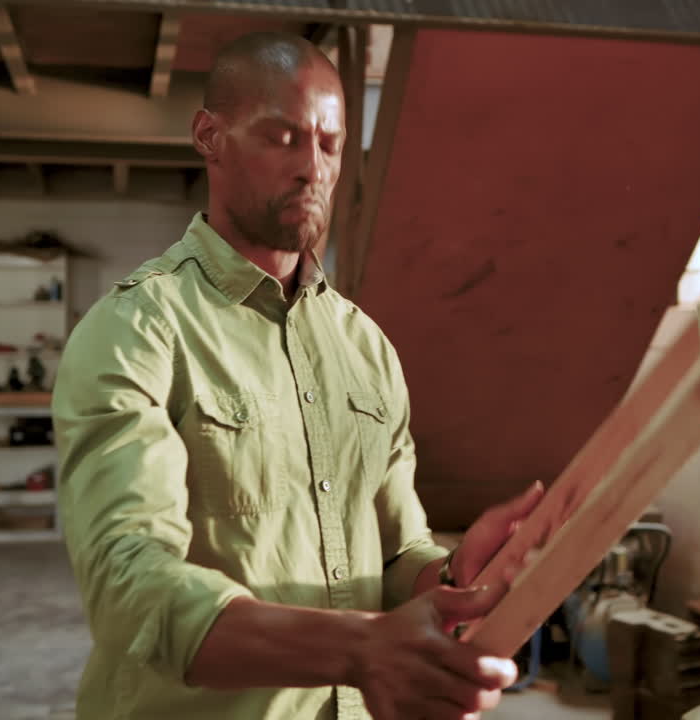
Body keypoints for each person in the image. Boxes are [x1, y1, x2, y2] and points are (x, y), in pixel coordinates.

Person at [53, 31, 545, 720]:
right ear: (209, 136)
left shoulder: (365, 347)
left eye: (330, 143)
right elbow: (127, 586)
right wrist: (360, 647)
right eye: (283, 138)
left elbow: (397, 555)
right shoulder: (138, 332)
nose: (312, 167)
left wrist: (461, 574)